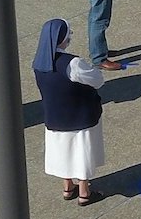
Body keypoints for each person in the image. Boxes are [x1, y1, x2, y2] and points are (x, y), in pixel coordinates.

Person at [32, 19, 106, 206]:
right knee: (82, 153)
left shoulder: (39, 64)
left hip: (55, 117)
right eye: (68, 34)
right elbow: (97, 80)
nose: (70, 37)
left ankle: (67, 187)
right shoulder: (73, 63)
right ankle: (84, 192)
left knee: (63, 151)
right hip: (80, 115)